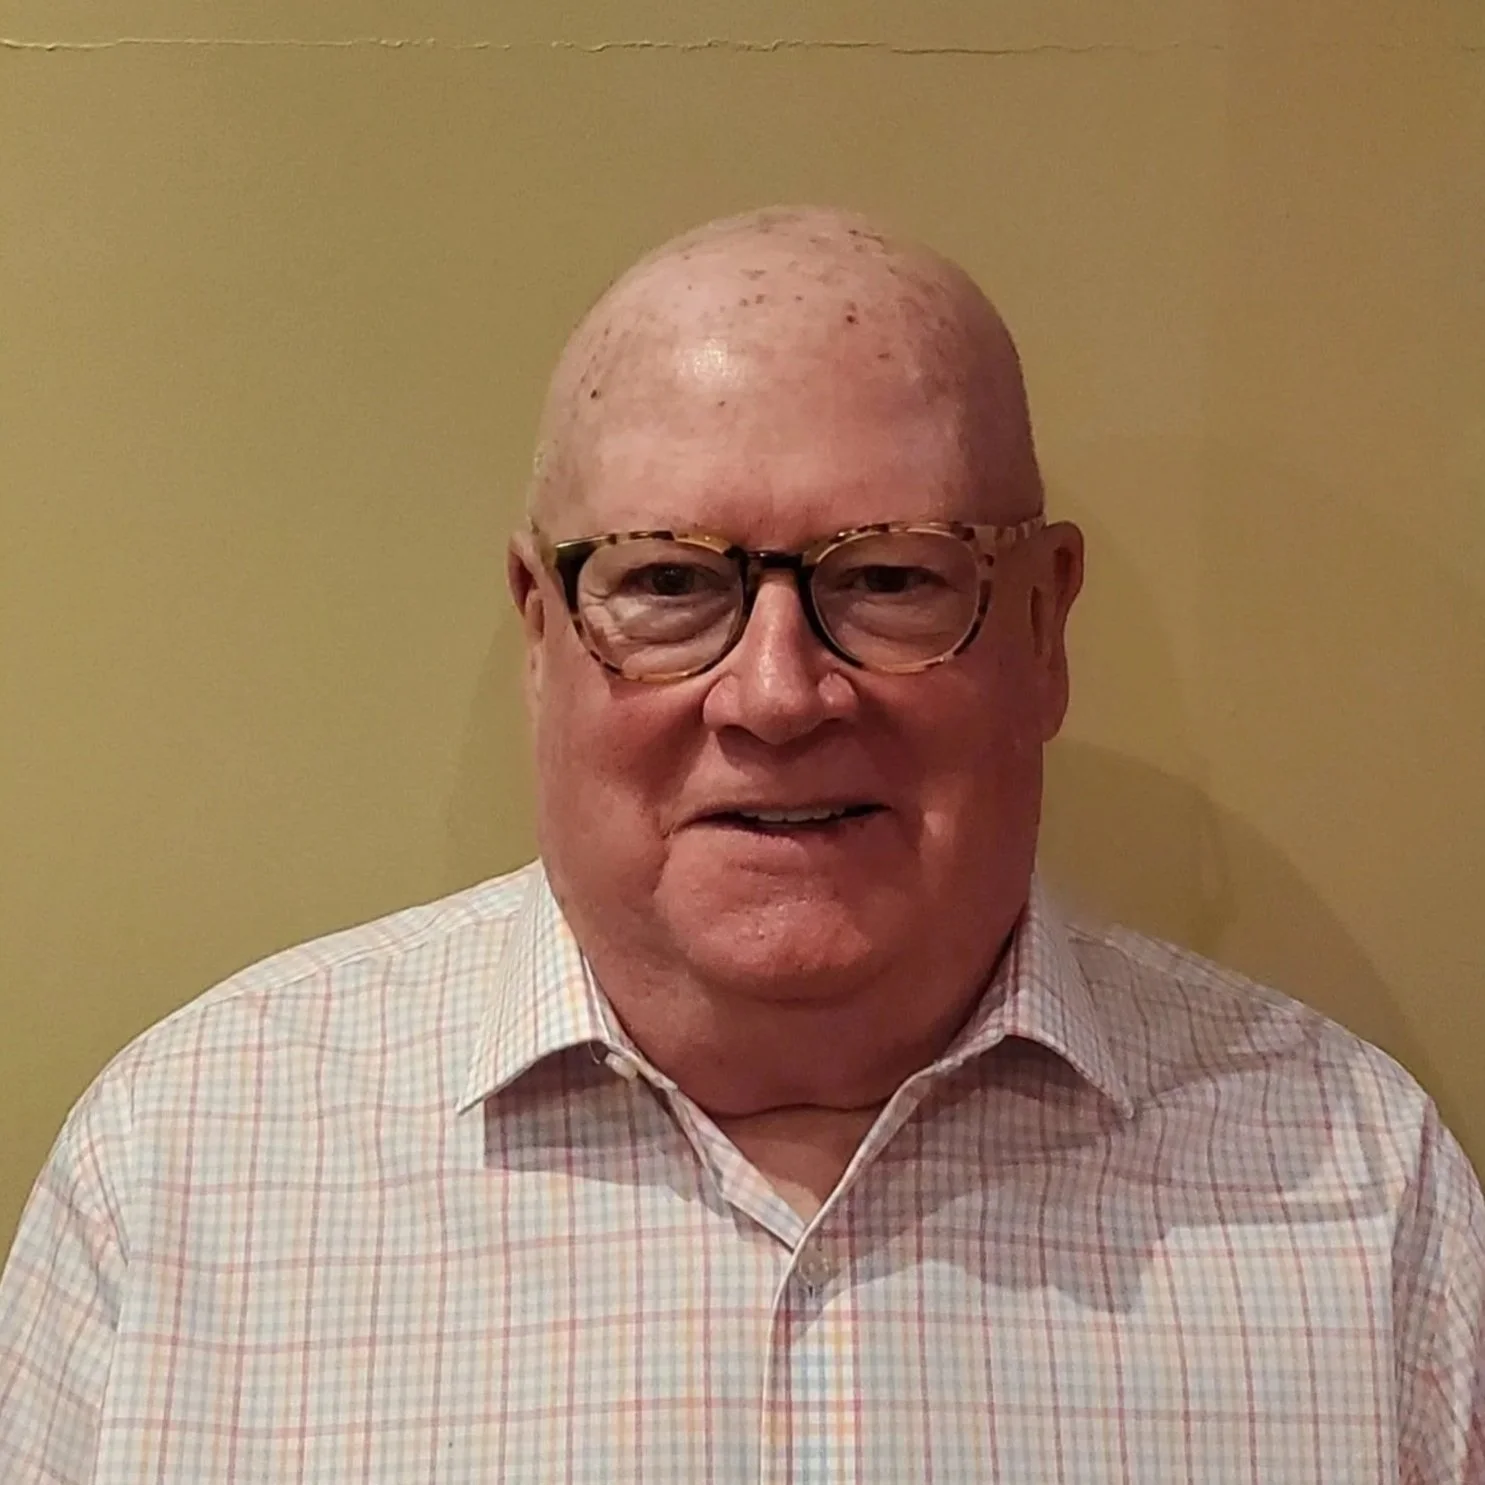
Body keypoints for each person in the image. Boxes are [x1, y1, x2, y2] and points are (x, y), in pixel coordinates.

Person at [1, 206, 1481, 1484]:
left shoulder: (1365, 1205)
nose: (778, 695)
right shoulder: (188, 1172)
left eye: (897, 578)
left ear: (1041, 625)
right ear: (540, 628)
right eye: (668, 583)